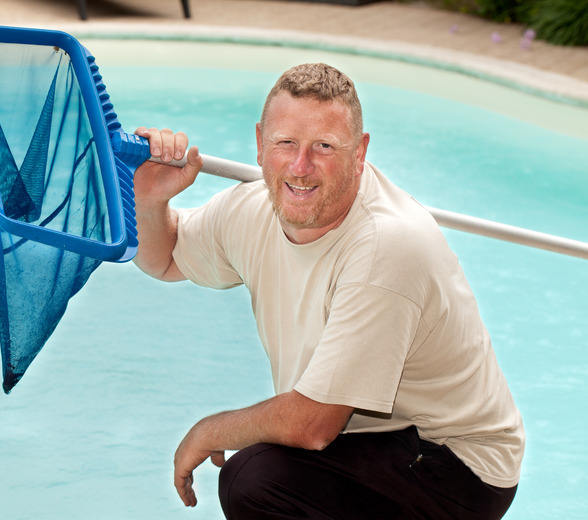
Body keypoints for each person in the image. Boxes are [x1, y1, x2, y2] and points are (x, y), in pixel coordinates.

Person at [132, 63, 524, 520]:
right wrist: (149, 199)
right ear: (260, 143)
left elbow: (313, 425)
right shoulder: (254, 207)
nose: (300, 167)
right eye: (285, 143)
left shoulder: (386, 247)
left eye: (324, 146)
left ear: (359, 152)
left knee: (256, 481)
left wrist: (208, 431)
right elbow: (166, 256)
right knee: (259, 473)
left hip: (457, 463)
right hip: (369, 436)